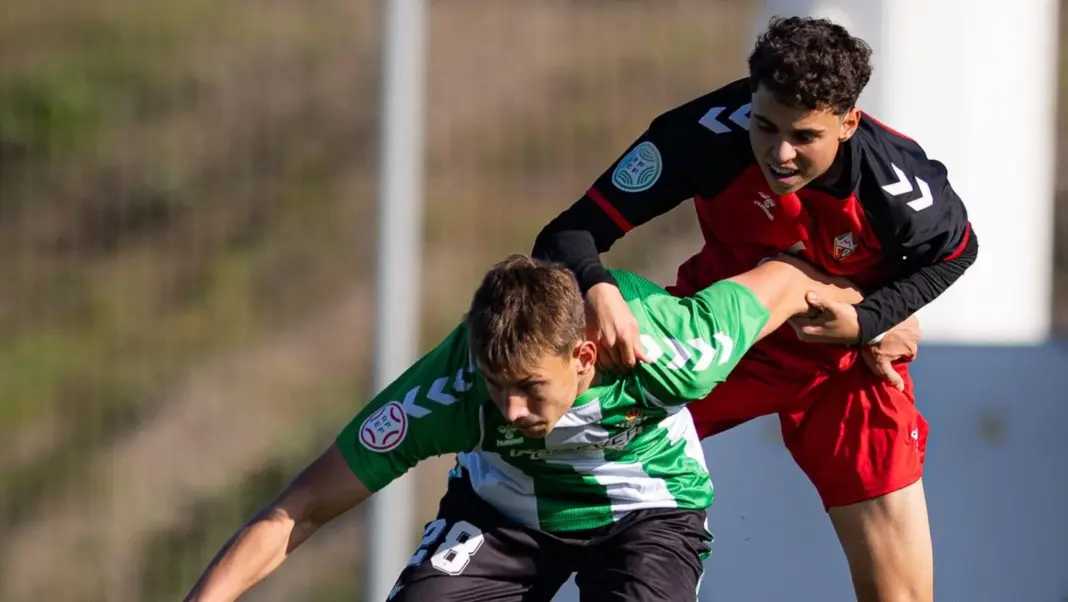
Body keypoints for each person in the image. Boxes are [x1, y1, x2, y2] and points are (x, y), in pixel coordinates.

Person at [531, 16, 978, 602]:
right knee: (551, 448)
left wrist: (872, 319)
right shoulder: (698, 136)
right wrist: (599, 288)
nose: (781, 153)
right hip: (716, 345)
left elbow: (957, 252)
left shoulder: (900, 186)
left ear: (848, 122)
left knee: (902, 595)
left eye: (804, 136)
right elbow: (566, 235)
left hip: (846, 369)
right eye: (765, 126)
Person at [182, 252, 865, 602]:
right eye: (496, 385)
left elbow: (784, 276)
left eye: (529, 387)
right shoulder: (444, 392)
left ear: (585, 357)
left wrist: (869, 316)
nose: (509, 409)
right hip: (502, 511)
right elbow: (297, 509)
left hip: (647, 511)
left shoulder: (672, 348)